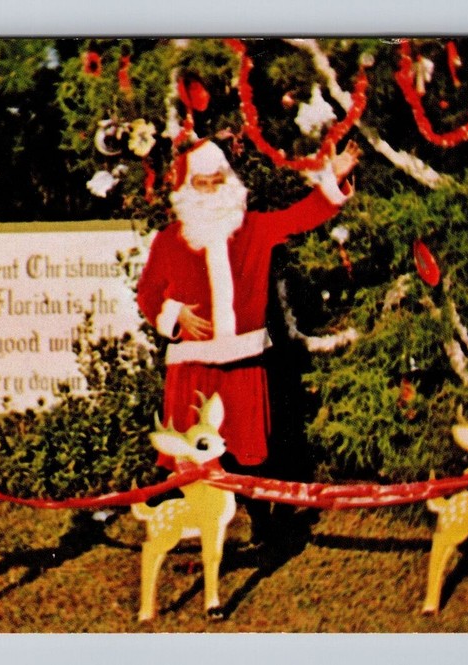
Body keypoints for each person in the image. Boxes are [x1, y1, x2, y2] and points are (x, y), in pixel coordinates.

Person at [136, 138, 360, 544]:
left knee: (247, 446)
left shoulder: (253, 228)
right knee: (189, 446)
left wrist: (334, 179)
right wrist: (176, 315)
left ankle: (261, 521)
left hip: (243, 361)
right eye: (202, 183)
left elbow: (300, 216)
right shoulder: (169, 240)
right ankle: (186, 521)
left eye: (217, 180)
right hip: (193, 365)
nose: (211, 190)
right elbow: (148, 294)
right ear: (188, 188)